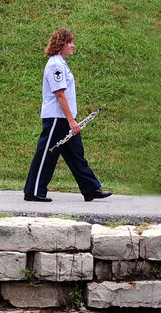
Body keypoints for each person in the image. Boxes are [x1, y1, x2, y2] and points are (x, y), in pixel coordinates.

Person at [24, 29, 110, 203]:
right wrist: (71, 121)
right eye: (69, 42)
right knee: (47, 154)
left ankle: (90, 189)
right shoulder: (55, 65)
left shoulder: (61, 63)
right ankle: (33, 191)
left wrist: (71, 119)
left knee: (75, 153)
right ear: (61, 44)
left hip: (65, 117)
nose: (73, 45)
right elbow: (60, 95)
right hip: (57, 118)